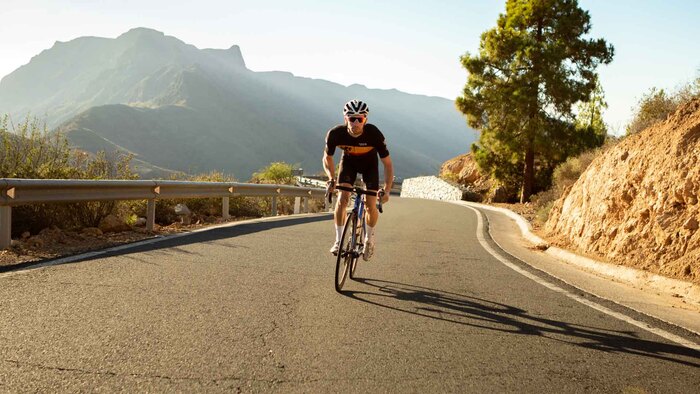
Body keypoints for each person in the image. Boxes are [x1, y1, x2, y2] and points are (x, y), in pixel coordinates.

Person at [323, 99, 393, 261]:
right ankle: (338, 240)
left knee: (370, 205)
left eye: (359, 119)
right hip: (348, 164)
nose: (355, 122)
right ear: (345, 118)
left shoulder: (374, 134)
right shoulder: (335, 134)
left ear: (365, 120)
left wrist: (387, 190)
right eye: (351, 118)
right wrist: (331, 178)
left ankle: (369, 238)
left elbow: (387, 164)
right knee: (342, 199)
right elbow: (327, 158)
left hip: (370, 166)